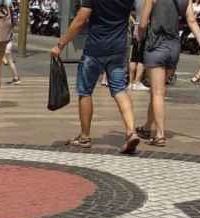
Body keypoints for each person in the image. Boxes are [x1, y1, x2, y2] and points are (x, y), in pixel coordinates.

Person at [52, 0, 141, 154]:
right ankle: (131, 131)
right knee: (120, 89)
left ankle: (85, 137)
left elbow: (81, 19)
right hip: (118, 49)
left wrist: (60, 45)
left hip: (95, 49)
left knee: (85, 91)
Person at [137, 0, 200, 146]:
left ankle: (159, 135)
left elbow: (142, 24)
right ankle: (147, 127)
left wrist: (139, 39)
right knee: (156, 92)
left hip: (156, 45)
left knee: (158, 93)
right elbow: (192, 20)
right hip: (173, 48)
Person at [129, 0, 148, 90]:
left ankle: (130, 82)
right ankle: (137, 82)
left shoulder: (136, 1)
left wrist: (135, 22)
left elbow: (128, 12)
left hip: (136, 27)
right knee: (141, 57)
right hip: (145, 27)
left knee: (134, 56)